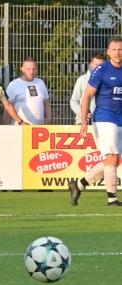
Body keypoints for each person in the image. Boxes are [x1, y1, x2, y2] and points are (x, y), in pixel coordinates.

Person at [69, 36, 122, 207]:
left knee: (112, 160)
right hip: (105, 117)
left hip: (120, 118)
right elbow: (87, 96)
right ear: (108, 52)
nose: (117, 53)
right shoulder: (102, 70)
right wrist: (84, 122)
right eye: (114, 50)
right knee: (113, 157)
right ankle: (112, 199)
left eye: (120, 49)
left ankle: (78, 185)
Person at [5, 57, 52, 125]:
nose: (31, 72)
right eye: (28, 69)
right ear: (21, 69)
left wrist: (48, 119)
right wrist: (7, 127)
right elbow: (7, 109)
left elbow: (46, 103)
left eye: (34, 69)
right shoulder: (13, 85)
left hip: (39, 128)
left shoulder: (41, 83)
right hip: (20, 128)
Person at [70, 53, 105, 125]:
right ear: (91, 64)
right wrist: (83, 113)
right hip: (82, 121)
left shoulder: (108, 81)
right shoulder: (82, 79)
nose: (98, 67)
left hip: (102, 121)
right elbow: (73, 101)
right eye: (96, 64)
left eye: (101, 65)